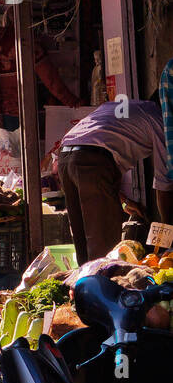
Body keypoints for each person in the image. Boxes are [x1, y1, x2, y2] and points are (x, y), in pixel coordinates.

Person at [58, 98, 173, 263]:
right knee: (104, 253)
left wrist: (125, 200)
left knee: (84, 247)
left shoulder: (135, 107)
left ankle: (84, 286)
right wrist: (167, 227)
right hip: (92, 160)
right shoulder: (161, 123)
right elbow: (164, 182)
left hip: (66, 157)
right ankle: (96, 285)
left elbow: (95, 149)